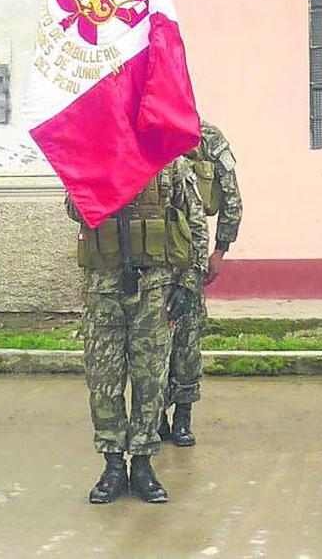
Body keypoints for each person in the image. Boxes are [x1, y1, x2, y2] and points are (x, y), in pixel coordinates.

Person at [68, 156, 208, 504]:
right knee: (104, 380)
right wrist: (104, 175)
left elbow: (196, 222)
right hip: (104, 289)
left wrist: (189, 283)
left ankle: (143, 463)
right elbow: (73, 208)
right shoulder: (93, 156)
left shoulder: (171, 163)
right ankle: (113, 464)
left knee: (151, 379)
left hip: (156, 287)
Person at [161, 119, 242, 447]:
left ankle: (182, 416)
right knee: (151, 344)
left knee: (187, 341)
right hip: (148, 258)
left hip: (190, 254)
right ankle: (154, 418)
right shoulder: (144, 132)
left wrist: (220, 250)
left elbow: (232, 197)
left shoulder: (207, 136)